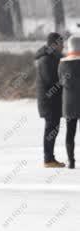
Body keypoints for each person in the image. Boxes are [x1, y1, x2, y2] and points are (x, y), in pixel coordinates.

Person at [35, 32, 65, 168]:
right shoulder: (46, 59)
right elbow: (50, 80)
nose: (63, 46)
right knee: (51, 130)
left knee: (53, 129)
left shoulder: (53, 57)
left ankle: (50, 158)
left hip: (53, 101)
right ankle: (48, 159)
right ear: (54, 44)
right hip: (49, 102)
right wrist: (65, 81)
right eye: (61, 43)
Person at [58, 35, 80, 169]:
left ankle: (71, 160)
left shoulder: (62, 63)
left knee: (70, 133)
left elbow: (60, 82)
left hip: (69, 103)